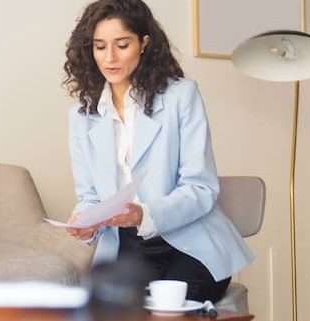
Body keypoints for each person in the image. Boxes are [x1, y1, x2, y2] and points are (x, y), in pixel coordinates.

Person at [61, 0, 253, 302]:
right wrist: (85, 224)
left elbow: (200, 187)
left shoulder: (180, 96)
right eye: (99, 47)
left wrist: (143, 214)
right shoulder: (82, 116)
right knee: (113, 306)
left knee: (165, 304)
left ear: (144, 43)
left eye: (122, 45)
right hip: (127, 247)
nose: (109, 57)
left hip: (190, 240)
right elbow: (89, 197)